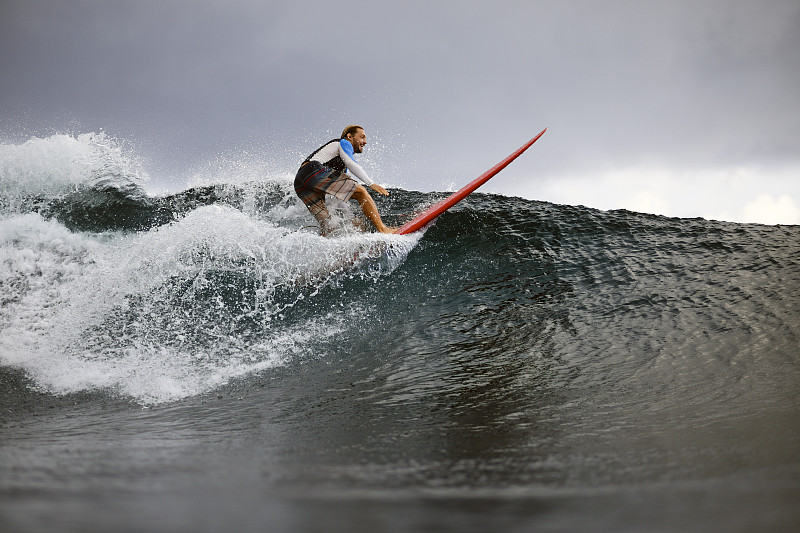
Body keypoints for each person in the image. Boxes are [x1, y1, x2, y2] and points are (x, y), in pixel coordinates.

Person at [294, 125, 394, 235]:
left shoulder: (339, 168)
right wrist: (370, 183)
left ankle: (328, 248)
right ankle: (384, 229)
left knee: (329, 226)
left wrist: (350, 218)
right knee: (361, 192)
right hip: (313, 170)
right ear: (349, 136)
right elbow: (351, 163)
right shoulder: (343, 142)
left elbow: (339, 198)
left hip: (300, 182)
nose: (365, 142)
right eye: (362, 137)